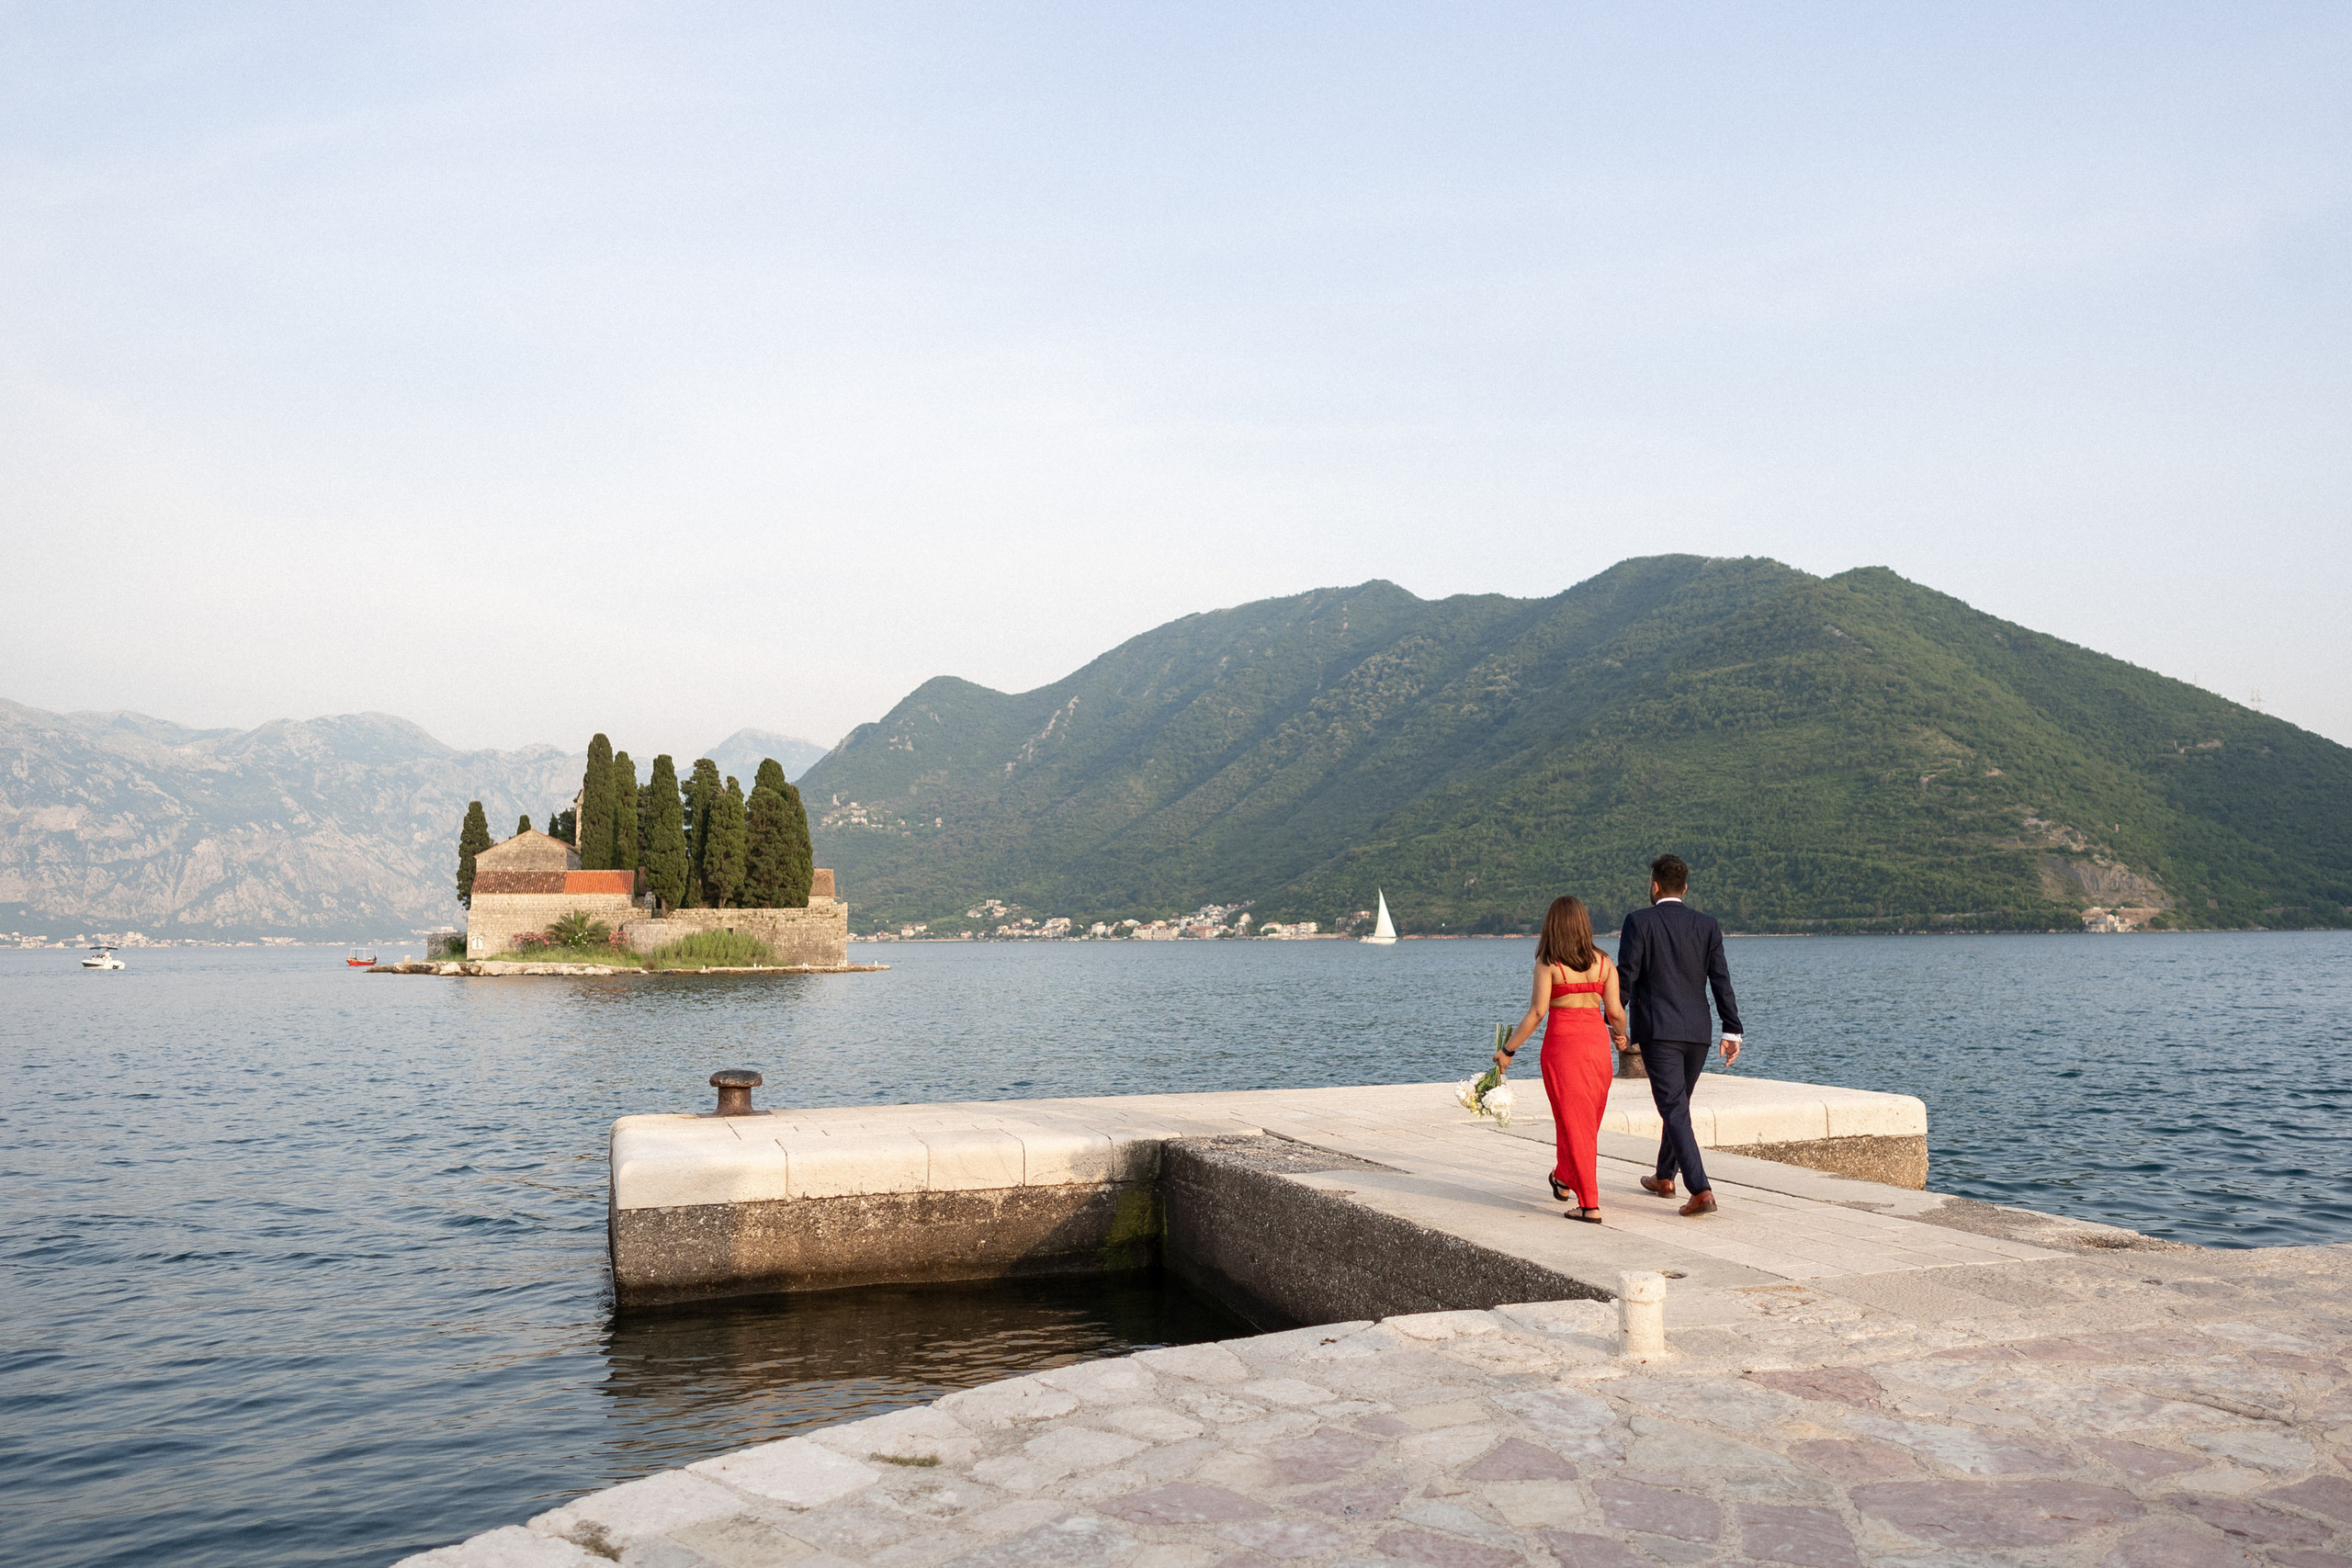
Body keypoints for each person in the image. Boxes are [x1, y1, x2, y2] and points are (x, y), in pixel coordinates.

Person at [1616, 853, 1744, 1217]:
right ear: (1684, 888)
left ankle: (1700, 1189)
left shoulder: (1638, 922)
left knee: (1673, 1108)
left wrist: (1612, 1022)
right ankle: (1663, 1177)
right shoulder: (1706, 925)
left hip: (1659, 1031)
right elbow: (1721, 979)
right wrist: (1731, 1029)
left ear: (1654, 886)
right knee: (1678, 1106)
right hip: (1698, 1033)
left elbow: (1625, 976)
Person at [1493, 896, 1627, 1224]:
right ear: (1583, 923)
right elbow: (1615, 1012)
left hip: (1563, 1049)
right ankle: (1564, 1178)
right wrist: (1621, 1036)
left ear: (1552, 925)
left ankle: (1589, 1204)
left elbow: (1537, 1013)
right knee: (1584, 1124)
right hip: (1597, 1047)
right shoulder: (1605, 963)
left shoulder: (1549, 963)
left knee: (1572, 1123)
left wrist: (1508, 1051)